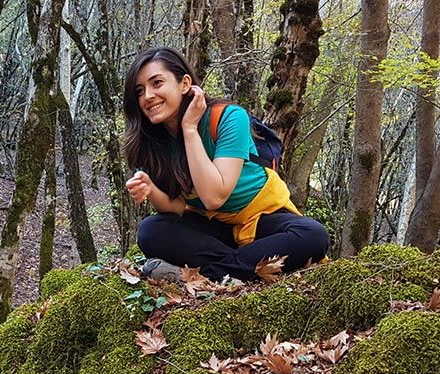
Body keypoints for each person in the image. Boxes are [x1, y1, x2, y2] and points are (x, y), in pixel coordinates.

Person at [122, 46, 329, 283]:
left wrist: (190, 130)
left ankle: (203, 274)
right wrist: (151, 189)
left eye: (157, 83)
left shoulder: (228, 118)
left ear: (185, 83)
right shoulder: (152, 142)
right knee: (150, 231)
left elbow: (214, 197)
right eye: (140, 91)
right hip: (215, 229)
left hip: (263, 220)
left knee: (313, 235)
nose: (148, 96)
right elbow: (177, 207)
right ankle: (241, 266)